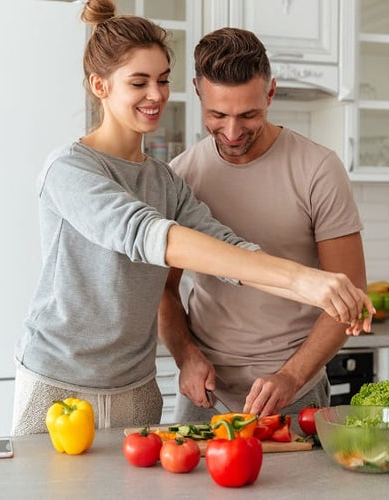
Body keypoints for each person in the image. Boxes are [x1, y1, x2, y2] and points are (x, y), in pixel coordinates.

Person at [11, 1, 373, 435]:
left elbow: (230, 250)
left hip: (136, 384)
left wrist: (315, 287)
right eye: (139, 82)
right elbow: (148, 235)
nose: (156, 94)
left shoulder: (166, 181)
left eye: (162, 80)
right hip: (60, 381)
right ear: (100, 86)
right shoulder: (69, 169)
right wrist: (302, 280)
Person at [158, 27, 369, 422]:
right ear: (198, 93)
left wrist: (290, 376)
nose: (233, 132)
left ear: (270, 93)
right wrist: (186, 356)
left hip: (295, 394)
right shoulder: (180, 176)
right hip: (205, 395)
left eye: (248, 114)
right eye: (217, 115)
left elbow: (351, 291)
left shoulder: (318, 170)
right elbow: (161, 292)